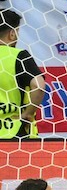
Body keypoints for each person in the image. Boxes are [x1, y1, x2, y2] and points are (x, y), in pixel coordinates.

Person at [0, 9, 44, 140]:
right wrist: (28, 113)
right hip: (13, 132)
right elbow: (39, 86)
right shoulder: (19, 57)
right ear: (12, 34)